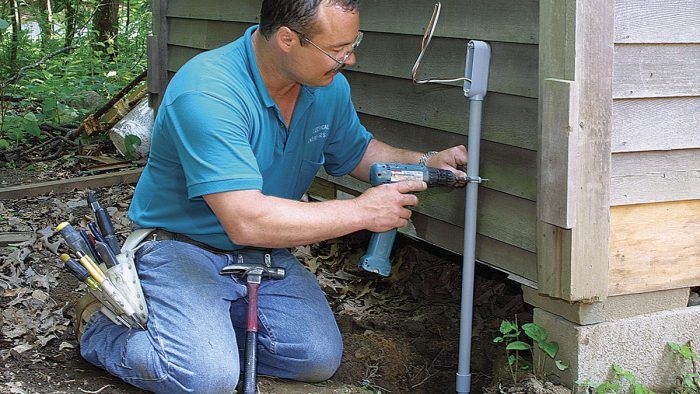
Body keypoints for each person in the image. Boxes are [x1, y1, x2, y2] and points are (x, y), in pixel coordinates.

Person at [75, 0, 468, 392]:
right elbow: (247, 220)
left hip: (264, 252)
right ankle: (100, 328)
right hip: (182, 248)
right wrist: (362, 212)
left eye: (353, 43)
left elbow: (359, 153)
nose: (350, 58)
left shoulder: (325, 89)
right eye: (336, 50)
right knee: (205, 378)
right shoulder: (209, 92)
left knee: (315, 359)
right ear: (287, 39)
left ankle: (202, 335)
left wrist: (428, 162)